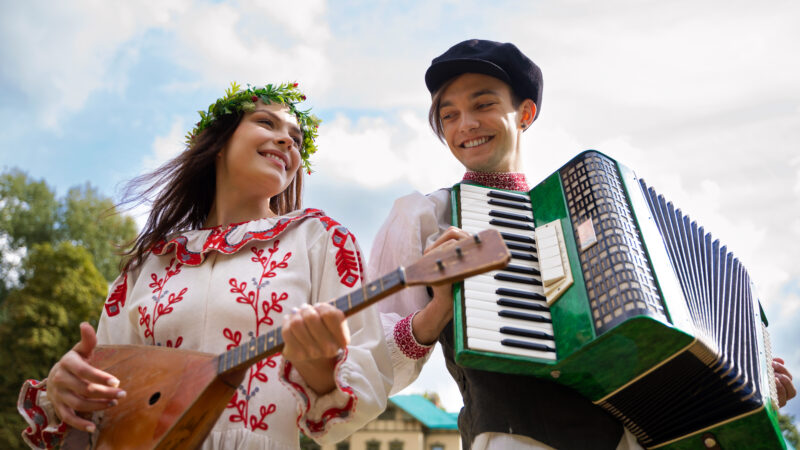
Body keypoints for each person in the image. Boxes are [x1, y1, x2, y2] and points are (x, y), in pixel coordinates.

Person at [370, 39, 796, 450]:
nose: (465, 125)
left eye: (483, 105)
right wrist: (440, 307)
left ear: (525, 113)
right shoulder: (427, 217)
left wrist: (748, 386)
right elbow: (373, 359)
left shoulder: (582, 219)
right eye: (449, 115)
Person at [17, 82, 392, 449]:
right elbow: (106, 393)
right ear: (218, 143)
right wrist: (67, 390)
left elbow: (367, 371)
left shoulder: (321, 239)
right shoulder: (149, 262)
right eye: (267, 123)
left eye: (296, 137)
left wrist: (321, 370)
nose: (288, 141)